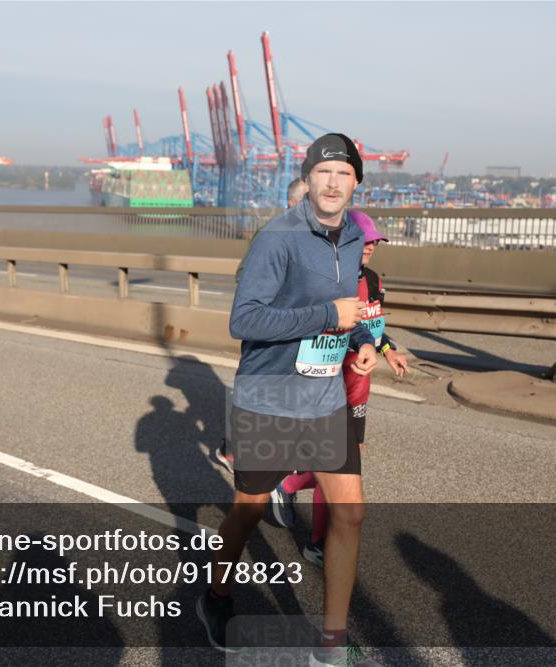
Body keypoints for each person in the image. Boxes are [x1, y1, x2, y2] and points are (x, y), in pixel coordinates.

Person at [198, 133, 380, 666]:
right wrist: (330, 317)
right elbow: (244, 320)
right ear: (308, 179)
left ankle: (330, 645)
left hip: (323, 396)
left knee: (350, 514)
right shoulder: (276, 238)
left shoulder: (350, 239)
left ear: (356, 184)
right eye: (324, 172)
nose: (333, 182)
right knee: (249, 509)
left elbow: (347, 312)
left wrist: (362, 343)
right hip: (271, 394)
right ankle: (216, 596)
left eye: (344, 174)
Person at [270, 211, 410, 567]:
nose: (373, 245)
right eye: (367, 240)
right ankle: (317, 542)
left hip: (359, 384)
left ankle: (287, 486)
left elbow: (373, 328)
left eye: (377, 240)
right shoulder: (328, 278)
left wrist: (387, 351)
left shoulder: (375, 281)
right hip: (327, 381)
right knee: (335, 461)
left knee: (346, 460)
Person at [217, 177, 312, 471]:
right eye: (309, 200)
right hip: (269, 326)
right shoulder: (272, 234)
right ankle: (234, 451)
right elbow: (244, 276)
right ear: (292, 204)